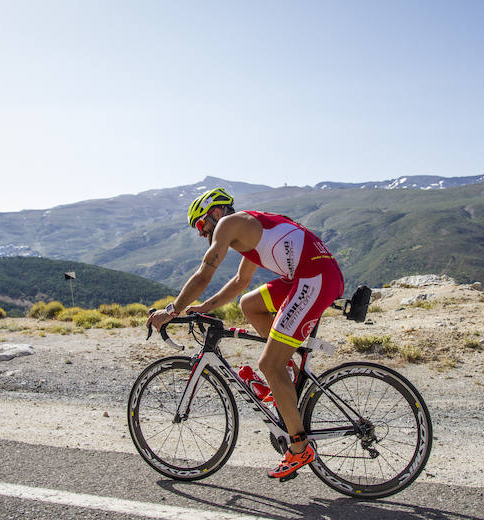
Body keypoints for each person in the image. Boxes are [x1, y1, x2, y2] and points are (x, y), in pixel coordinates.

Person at [147, 187, 345, 480]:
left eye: (201, 225)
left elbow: (204, 273)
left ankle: (299, 446)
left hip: (313, 279)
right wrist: (203, 306)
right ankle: (287, 369)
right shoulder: (250, 229)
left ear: (216, 212)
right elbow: (241, 281)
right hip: (308, 275)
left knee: (268, 365)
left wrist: (173, 310)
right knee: (249, 304)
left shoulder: (230, 224)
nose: (202, 234)